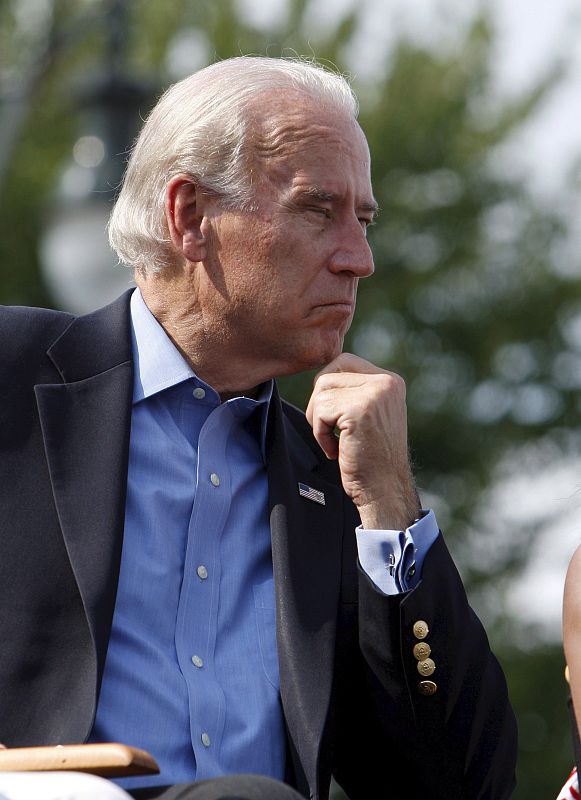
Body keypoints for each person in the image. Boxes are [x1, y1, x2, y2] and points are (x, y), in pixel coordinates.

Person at [0, 56, 516, 800]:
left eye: (364, 221)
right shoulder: (13, 378)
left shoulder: (337, 478)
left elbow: (463, 784)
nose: (360, 260)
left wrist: (392, 510)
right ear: (190, 217)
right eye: (318, 210)